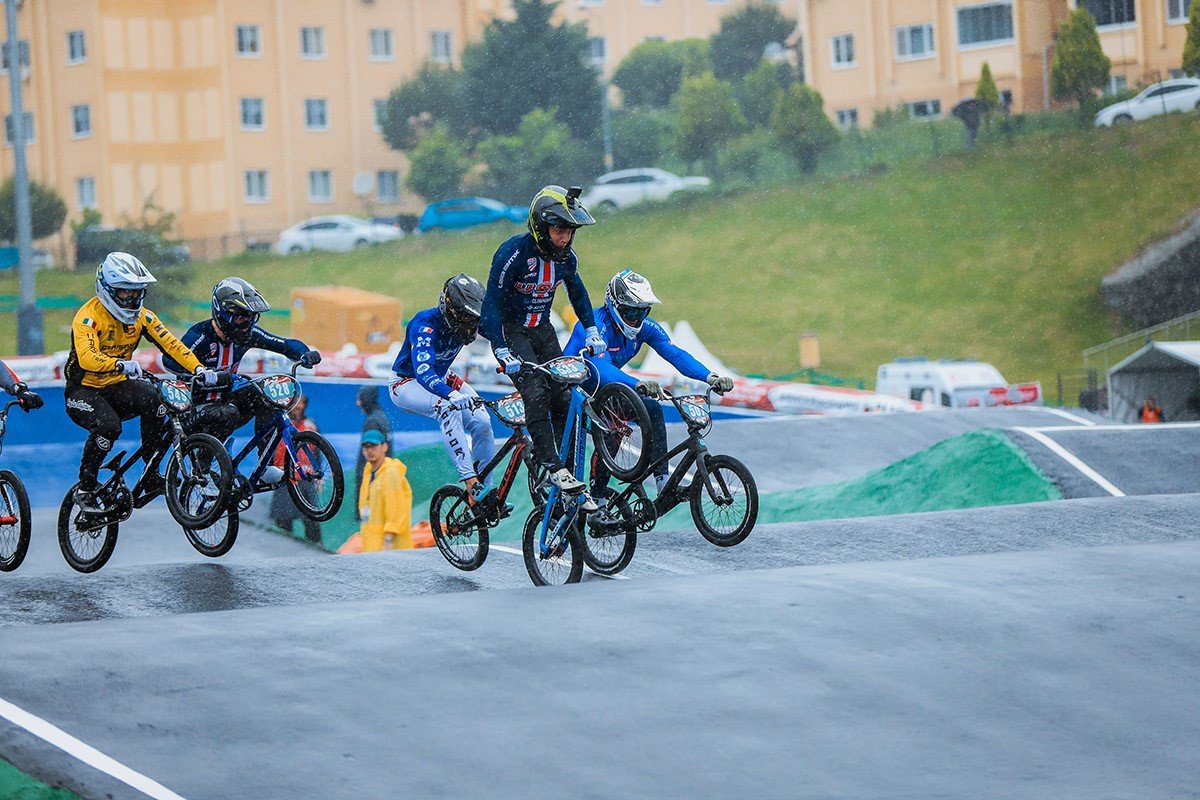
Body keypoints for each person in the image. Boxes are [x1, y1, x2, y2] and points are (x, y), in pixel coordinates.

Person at [65, 252, 222, 511]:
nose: (132, 298)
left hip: (117, 386)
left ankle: (150, 472)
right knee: (109, 427)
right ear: (107, 289)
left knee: (157, 400)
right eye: (125, 292)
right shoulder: (88, 318)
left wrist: (200, 369)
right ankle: (86, 486)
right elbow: (87, 358)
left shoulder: (144, 317)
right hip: (83, 391)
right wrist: (119, 364)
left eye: (137, 292)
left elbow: (172, 344)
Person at [480, 185, 606, 504]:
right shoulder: (513, 254)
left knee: (564, 398)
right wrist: (500, 346)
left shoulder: (566, 259)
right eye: (559, 229)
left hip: (544, 331)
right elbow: (491, 303)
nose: (565, 238)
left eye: (570, 231)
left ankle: (565, 468)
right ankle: (552, 466)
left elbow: (577, 293)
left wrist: (591, 328)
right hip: (513, 334)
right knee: (535, 392)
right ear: (540, 226)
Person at [565, 269, 735, 499]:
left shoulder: (645, 327)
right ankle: (583, 496)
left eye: (642, 311)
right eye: (630, 311)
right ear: (614, 304)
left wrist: (710, 377)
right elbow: (601, 369)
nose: (635, 318)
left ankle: (663, 483)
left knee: (652, 409)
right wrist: (638, 384)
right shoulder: (595, 326)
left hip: (604, 391)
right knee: (604, 433)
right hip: (570, 391)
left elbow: (675, 354)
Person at [163, 277, 321, 483]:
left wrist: (304, 353)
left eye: (250, 317)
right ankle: (201, 470)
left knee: (268, 396)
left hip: (227, 404)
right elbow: (168, 360)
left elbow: (283, 344)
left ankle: (265, 466)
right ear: (222, 314)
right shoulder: (200, 336)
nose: (246, 324)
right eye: (240, 318)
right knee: (228, 412)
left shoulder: (247, 334)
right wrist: (200, 372)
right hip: (193, 411)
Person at [389, 274, 497, 498]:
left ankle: (487, 486)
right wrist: (450, 394)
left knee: (482, 420)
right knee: (448, 409)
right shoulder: (424, 324)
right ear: (451, 309)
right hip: (407, 381)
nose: (471, 325)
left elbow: (501, 334)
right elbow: (423, 371)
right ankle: (470, 481)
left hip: (441, 376)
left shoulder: (471, 319)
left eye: (474, 319)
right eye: (466, 318)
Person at [269, 393, 322, 543]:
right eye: (296, 402)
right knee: (283, 523)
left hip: (306, 479)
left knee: (312, 521)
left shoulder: (311, 426)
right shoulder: (278, 425)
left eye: (302, 403)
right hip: (284, 480)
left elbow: (318, 452)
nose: (298, 406)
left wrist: (319, 477)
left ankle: (318, 552)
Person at [356, 429, 413, 551]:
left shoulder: (390, 473)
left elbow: (395, 508)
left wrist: (388, 540)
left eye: (374, 446)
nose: (369, 450)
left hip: (390, 547)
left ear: (384, 447)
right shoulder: (368, 472)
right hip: (373, 545)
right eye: (366, 447)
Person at [355, 385, 392, 520]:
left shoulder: (372, 420)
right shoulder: (381, 416)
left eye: (360, 398)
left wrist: (367, 486)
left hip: (375, 482)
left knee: (371, 522)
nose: (357, 403)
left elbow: (373, 458)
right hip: (381, 479)